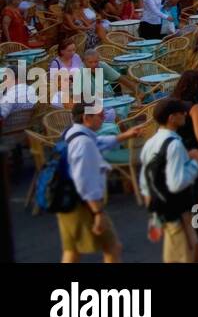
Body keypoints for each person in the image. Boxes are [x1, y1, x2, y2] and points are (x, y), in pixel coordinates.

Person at [58, 102, 144, 263]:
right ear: (86, 117)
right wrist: (98, 212)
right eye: (100, 115)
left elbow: (98, 142)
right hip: (83, 204)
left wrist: (125, 136)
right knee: (112, 248)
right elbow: (84, 179)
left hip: (65, 199)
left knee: (72, 251)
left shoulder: (72, 132)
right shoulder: (84, 143)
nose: (104, 118)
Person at [139, 99, 198, 262]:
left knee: (190, 247)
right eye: (181, 113)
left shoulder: (150, 142)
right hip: (177, 207)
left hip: (162, 207)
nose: (185, 115)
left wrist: (152, 211)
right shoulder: (174, 144)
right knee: (184, 254)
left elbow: (144, 179)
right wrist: (195, 164)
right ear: (171, 118)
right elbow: (176, 183)